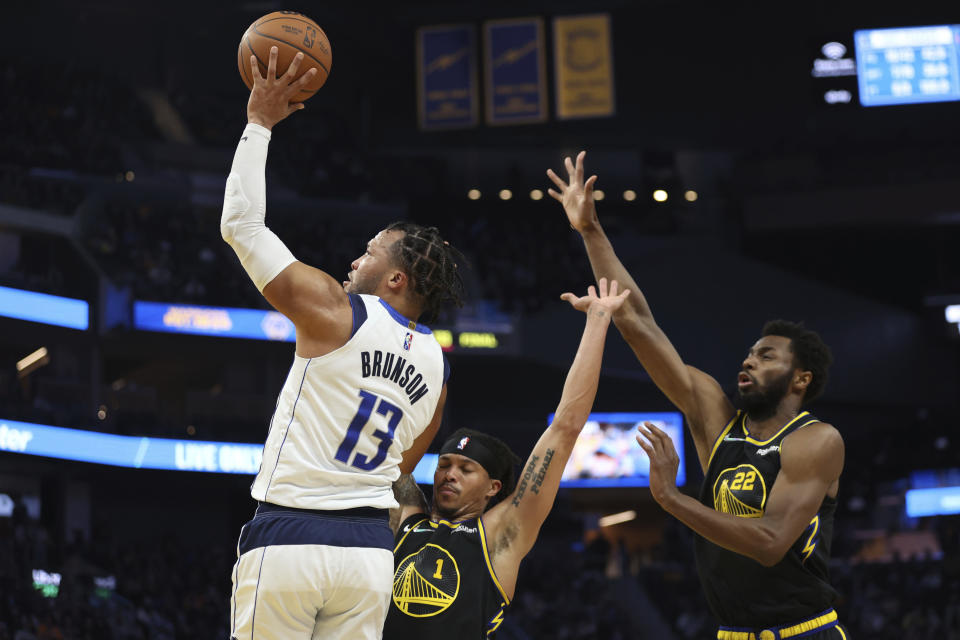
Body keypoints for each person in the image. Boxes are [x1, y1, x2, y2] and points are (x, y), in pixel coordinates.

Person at [548, 152, 849, 640]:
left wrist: (669, 498)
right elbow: (639, 321)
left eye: (767, 356)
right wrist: (591, 231)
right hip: (730, 633)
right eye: (750, 353)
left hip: (803, 631)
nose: (749, 360)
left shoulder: (816, 440)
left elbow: (771, 543)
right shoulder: (715, 420)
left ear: (801, 380)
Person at [222, 47, 465, 640]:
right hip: (368, 555)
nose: (357, 257)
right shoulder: (438, 366)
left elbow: (242, 227)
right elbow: (402, 464)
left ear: (395, 278)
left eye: (371, 250)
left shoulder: (337, 310)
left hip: (291, 538)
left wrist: (259, 124)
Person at [383, 278, 630, 638]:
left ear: (492, 487)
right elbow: (385, 449)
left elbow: (565, 428)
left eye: (466, 469)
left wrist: (597, 320)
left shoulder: (501, 534)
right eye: (445, 465)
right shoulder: (407, 518)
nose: (450, 474)